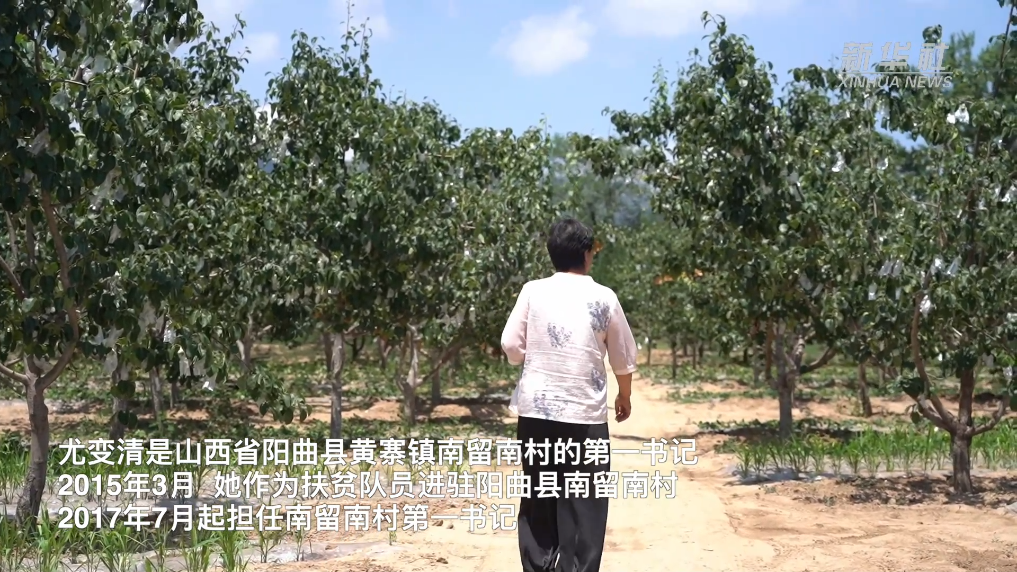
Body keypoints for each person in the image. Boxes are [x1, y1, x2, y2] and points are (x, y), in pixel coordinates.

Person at [500, 217, 639, 572]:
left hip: (536, 413)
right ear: (587, 254)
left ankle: (539, 566)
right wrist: (624, 396)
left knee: (540, 495)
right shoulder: (604, 297)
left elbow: (511, 344)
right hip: (585, 417)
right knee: (585, 500)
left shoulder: (532, 291)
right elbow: (623, 355)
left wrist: (532, 357)